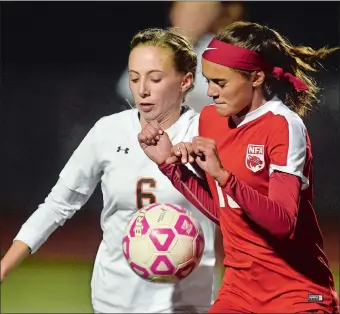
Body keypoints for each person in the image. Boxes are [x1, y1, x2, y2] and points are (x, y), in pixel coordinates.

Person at [0, 28, 218, 313]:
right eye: (134, 77)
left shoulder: (209, 132)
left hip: (188, 304)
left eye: (155, 78)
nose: (142, 90)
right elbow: (57, 205)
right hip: (115, 302)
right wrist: (5, 265)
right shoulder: (109, 130)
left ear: (185, 81)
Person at [138, 21, 340, 313]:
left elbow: (283, 224)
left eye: (220, 83)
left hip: (296, 293)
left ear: (256, 77)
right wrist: (171, 167)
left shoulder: (283, 126)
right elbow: (226, 212)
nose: (210, 92)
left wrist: (223, 175)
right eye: (207, 81)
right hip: (239, 292)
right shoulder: (210, 120)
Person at [116, 1, 245, 113]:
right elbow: (127, 90)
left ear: (213, 18)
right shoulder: (151, 47)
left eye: (202, 13)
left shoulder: (222, 52)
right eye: (186, 11)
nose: (193, 19)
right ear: (173, 11)